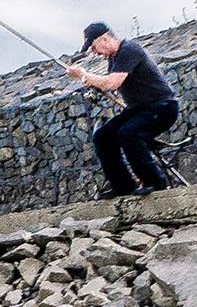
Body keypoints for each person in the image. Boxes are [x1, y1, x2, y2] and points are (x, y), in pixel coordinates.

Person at [65, 22, 180, 197]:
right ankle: (123, 186)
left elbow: (112, 82)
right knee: (103, 136)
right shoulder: (114, 59)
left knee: (129, 133)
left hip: (162, 106)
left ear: (104, 38)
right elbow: (110, 84)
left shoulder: (129, 49)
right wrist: (92, 82)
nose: (94, 52)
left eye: (94, 47)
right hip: (140, 109)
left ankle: (156, 183)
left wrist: (84, 75)